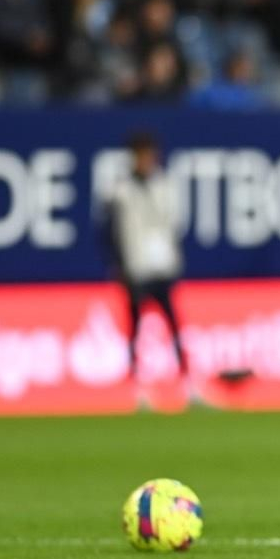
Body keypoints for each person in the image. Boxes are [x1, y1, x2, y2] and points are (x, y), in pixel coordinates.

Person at [103, 131, 196, 403]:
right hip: (136, 268)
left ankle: (188, 384)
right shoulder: (120, 191)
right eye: (142, 155)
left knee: (175, 325)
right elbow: (109, 232)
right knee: (136, 328)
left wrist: (173, 257)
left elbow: (174, 225)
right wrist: (119, 265)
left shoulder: (164, 184)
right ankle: (137, 388)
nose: (147, 160)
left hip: (162, 266)